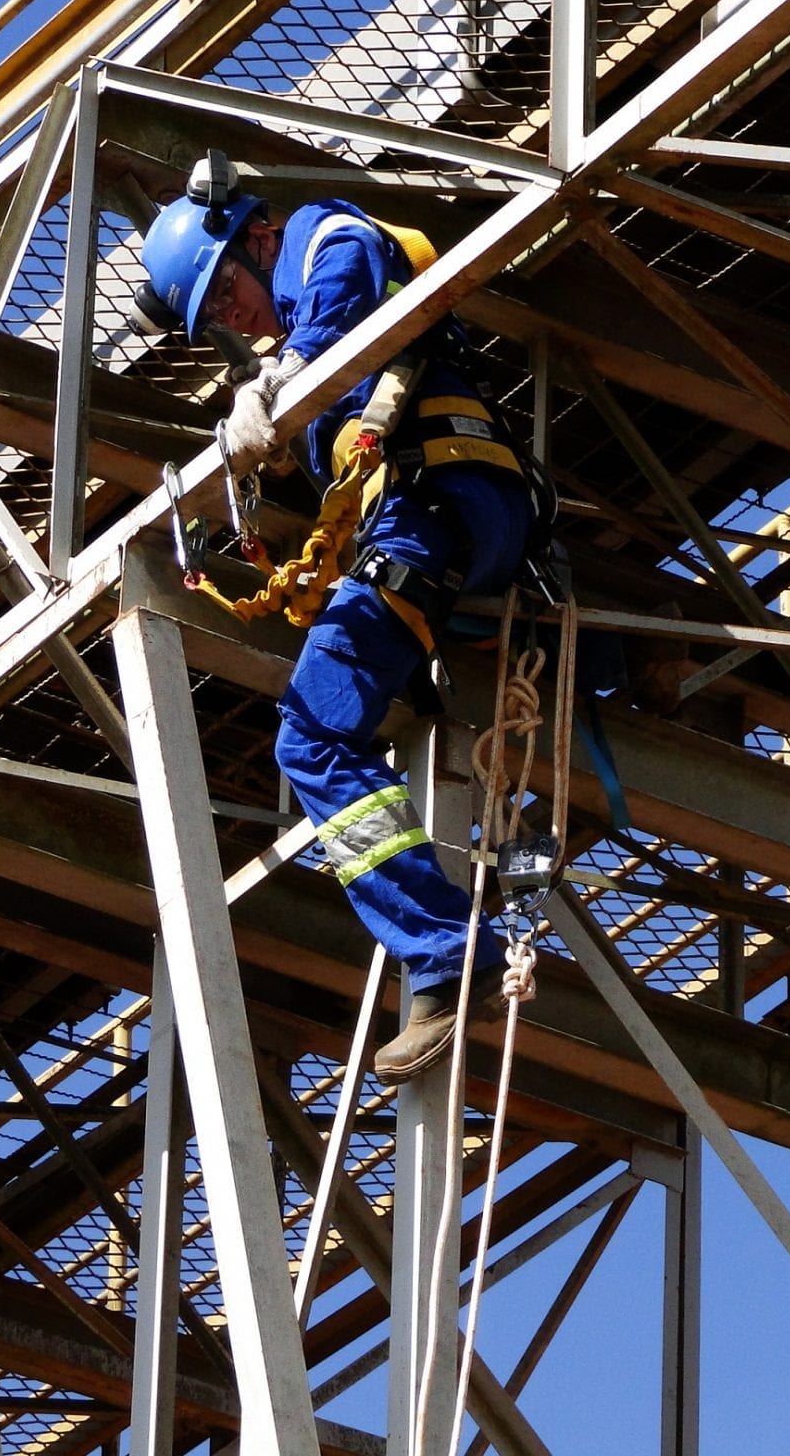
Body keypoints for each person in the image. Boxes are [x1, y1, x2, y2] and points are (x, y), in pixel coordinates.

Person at [133, 153, 537, 1083]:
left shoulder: (320, 231)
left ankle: (444, 948)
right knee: (322, 726)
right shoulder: (293, 339)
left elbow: (353, 269)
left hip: (435, 506)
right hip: (443, 518)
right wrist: (269, 389)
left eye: (226, 289)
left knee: (312, 735)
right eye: (213, 316)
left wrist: (280, 384)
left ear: (255, 237)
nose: (232, 316)